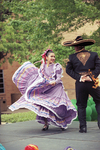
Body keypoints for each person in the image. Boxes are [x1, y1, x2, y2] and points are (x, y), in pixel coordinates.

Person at [9, 49, 77, 131]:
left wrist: (54, 82)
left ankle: (61, 123)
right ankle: (45, 124)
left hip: (56, 88)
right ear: (47, 57)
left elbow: (58, 78)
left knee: (57, 107)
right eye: (51, 56)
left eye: (54, 56)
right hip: (46, 88)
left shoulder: (56, 66)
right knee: (44, 105)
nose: (53, 58)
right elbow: (41, 77)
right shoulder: (43, 66)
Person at [63, 36, 100, 133]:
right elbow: (98, 67)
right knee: (99, 101)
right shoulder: (94, 55)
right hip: (92, 83)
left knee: (81, 105)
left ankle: (83, 127)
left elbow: (68, 70)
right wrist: (91, 77)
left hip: (80, 84)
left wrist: (80, 77)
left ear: (77, 47)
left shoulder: (72, 57)